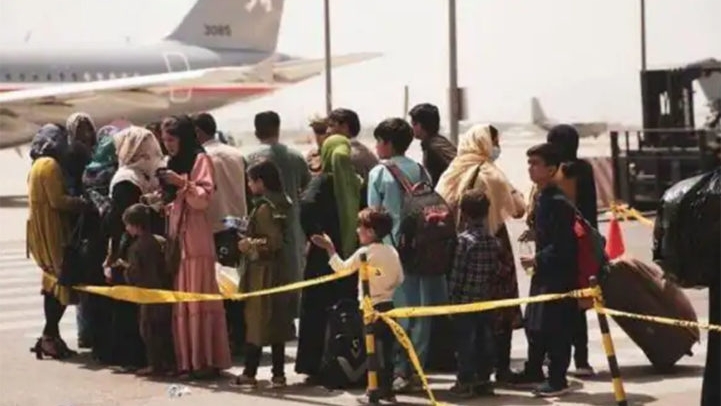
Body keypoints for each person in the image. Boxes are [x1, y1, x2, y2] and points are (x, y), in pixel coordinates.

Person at [435, 124, 526, 382]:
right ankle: (501, 367)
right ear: (485, 143)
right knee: (500, 306)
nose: (497, 148)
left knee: (467, 312)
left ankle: (470, 370)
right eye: (495, 142)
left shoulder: (451, 172)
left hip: (460, 243)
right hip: (494, 244)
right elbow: (519, 209)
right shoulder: (492, 174)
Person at [160, 115, 232, 378]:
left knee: (198, 296)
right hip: (178, 237)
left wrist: (182, 183)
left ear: (184, 138)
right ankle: (187, 361)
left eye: (172, 139)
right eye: (165, 140)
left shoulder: (201, 159)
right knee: (183, 299)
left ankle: (204, 360)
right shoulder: (173, 163)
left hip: (196, 237)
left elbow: (202, 199)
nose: (168, 145)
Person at [310, 207, 403, 404]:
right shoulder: (392, 251)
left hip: (370, 309)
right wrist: (383, 283)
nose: (357, 230)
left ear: (370, 231)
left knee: (371, 350)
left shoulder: (365, 253)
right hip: (389, 306)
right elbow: (399, 278)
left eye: (360, 226)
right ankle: (388, 389)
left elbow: (342, 269)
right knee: (387, 351)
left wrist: (330, 248)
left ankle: (373, 389)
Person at [511, 143, 576, 397]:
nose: (530, 168)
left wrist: (537, 259)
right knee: (535, 323)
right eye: (529, 163)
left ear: (550, 169)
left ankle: (558, 379)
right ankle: (533, 369)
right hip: (544, 273)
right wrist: (535, 234)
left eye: (535, 164)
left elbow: (564, 245)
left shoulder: (558, 201)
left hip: (558, 275)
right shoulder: (542, 197)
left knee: (555, 327)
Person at [295, 135, 361, 382]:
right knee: (344, 310)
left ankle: (315, 364)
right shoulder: (355, 181)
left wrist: (314, 233)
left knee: (317, 311)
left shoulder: (322, 181)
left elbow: (306, 204)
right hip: (348, 258)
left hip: (323, 257)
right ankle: (346, 362)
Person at [105, 126, 165, 370]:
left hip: (141, 249)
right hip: (134, 248)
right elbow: (126, 220)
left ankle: (142, 356)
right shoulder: (130, 179)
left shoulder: (140, 176)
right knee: (131, 305)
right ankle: (133, 356)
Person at [231, 160, 295, 388]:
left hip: (263, 272)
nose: (249, 185)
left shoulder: (265, 208)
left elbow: (272, 241)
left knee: (256, 322)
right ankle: (278, 374)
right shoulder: (282, 203)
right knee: (276, 322)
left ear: (261, 182)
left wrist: (249, 243)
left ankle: (249, 372)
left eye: (250, 181)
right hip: (281, 270)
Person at [27, 123, 85, 360]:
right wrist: (83, 203)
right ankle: (49, 336)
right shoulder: (50, 165)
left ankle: (51, 337)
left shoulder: (35, 165)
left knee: (51, 283)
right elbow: (57, 201)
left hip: (39, 229)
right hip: (53, 230)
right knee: (61, 282)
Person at [246, 111, 312, 318]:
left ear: (256, 131)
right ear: (278, 128)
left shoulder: (250, 158)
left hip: (261, 227)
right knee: (291, 273)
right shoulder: (296, 156)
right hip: (292, 225)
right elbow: (307, 188)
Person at [192, 112, 248, 354]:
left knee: (219, 286)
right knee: (236, 282)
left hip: (214, 227)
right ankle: (241, 336)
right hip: (238, 225)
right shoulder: (236, 154)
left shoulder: (202, 157)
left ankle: (227, 339)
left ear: (197, 132)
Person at [447, 189, 498, 398]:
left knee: (465, 343)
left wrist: (451, 300)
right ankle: (484, 380)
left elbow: (458, 273)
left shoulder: (464, 241)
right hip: (485, 300)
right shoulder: (492, 240)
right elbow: (494, 271)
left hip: (465, 301)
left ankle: (465, 381)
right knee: (484, 341)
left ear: (464, 214)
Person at [121, 203, 175, 376]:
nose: (127, 229)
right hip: (165, 292)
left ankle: (154, 364)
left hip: (147, 294)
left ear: (136, 226)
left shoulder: (135, 248)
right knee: (165, 330)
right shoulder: (160, 241)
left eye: (128, 225)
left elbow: (135, 273)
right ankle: (169, 363)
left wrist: (125, 270)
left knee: (148, 331)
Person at [408, 103, 457, 187]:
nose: (412, 128)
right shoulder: (436, 142)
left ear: (425, 124)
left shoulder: (435, 147)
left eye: (415, 124)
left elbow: (457, 168)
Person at [326, 107, 379, 183]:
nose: (327, 131)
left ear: (344, 127)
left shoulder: (346, 155)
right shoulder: (363, 151)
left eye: (331, 126)